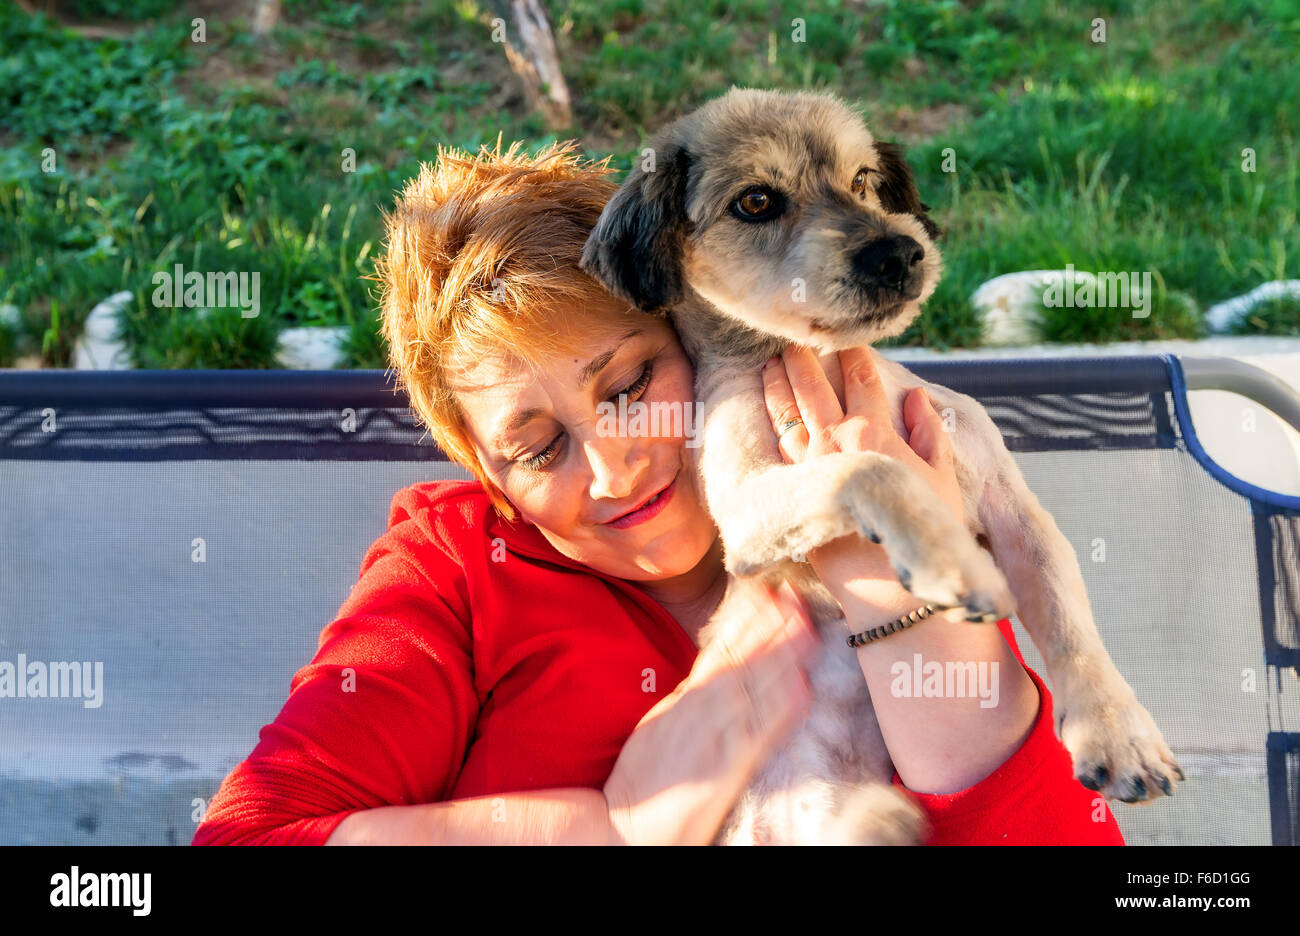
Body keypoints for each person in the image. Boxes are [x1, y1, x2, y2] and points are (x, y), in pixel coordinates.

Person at [192, 142, 1124, 845]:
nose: (613, 467)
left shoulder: (858, 465)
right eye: (537, 446)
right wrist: (614, 826)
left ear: (705, 330)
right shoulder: (456, 571)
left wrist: (886, 590)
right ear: (490, 478)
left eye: (631, 384)